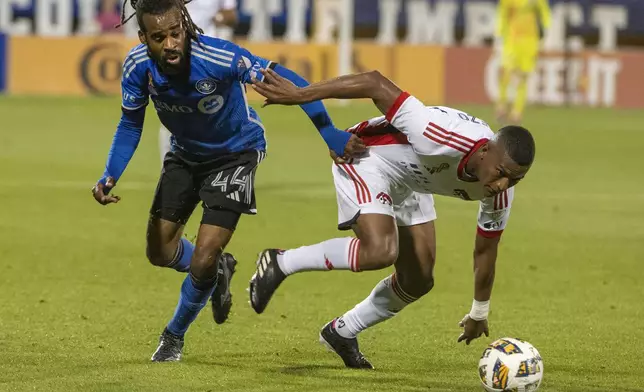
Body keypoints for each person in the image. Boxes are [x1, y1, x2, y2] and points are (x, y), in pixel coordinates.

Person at [91, 0, 365, 362]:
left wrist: (328, 131)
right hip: (185, 154)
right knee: (159, 252)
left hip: (236, 154)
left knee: (204, 255)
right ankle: (217, 269)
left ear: (185, 26)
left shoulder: (219, 57)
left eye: (176, 33)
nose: (171, 43)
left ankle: (173, 336)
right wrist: (111, 173)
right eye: (160, 37)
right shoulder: (137, 66)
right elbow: (130, 123)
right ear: (144, 38)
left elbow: (291, 81)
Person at [248, 68, 536, 369]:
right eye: (501, 173)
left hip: (414, 179)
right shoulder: (438, 134)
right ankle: (281, 261)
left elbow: (486, 249)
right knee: (381, 250)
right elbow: (374, 82)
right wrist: (300, 95)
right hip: (367, 156)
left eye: (515, 179)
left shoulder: (498, 193)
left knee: (418, 279)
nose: (503, 184)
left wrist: (479, 311)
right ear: (486, 150)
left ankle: (342, 331)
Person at [159, 0, 239, 163]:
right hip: (177, 52)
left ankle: (212, 166)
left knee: (212, 112)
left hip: (207, 53)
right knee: (174, 110)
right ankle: (168, 167)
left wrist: (215, 17)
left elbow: (231, 16)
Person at [495, 0, 551, 124]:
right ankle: (501, 105)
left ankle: (517, 111)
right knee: (506, 72)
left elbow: (545, 13)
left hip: (530, 41)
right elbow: (502, 14)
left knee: (523, 76)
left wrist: (546, 33)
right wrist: (499, 35)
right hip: (512, 40)